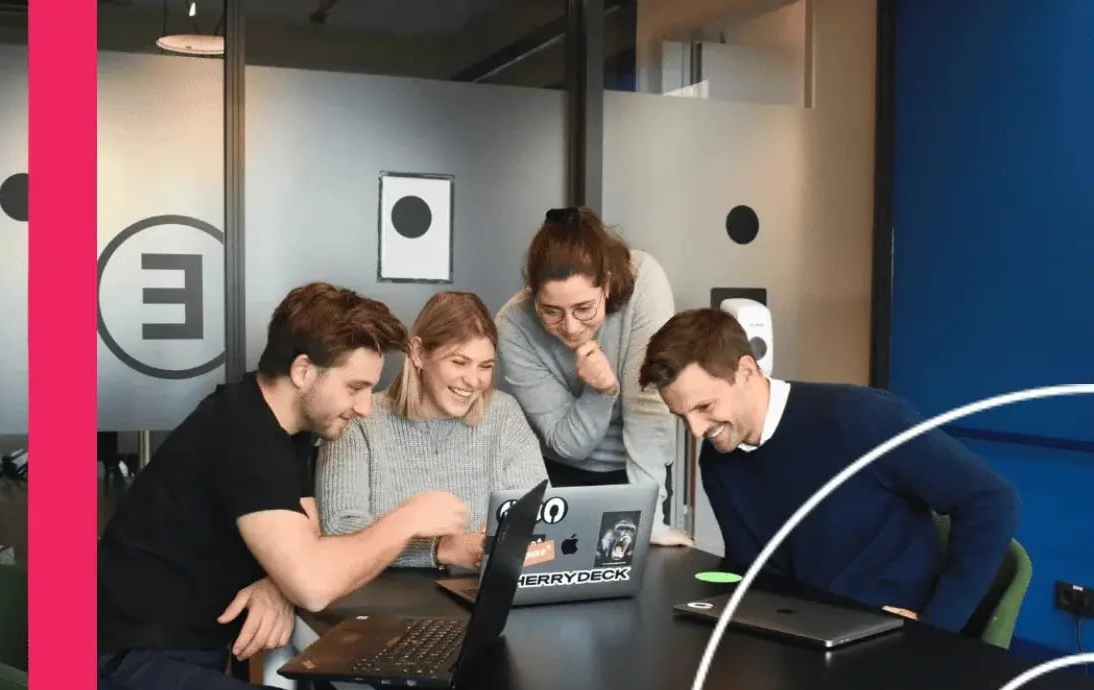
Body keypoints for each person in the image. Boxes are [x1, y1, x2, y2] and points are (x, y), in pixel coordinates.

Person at [96, 282, 470, 690]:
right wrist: (408, 518)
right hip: (125, 665)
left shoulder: (281, 427)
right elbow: (314, 585)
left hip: (171, 657)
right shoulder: (243, 435)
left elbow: (307, 534)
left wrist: (279, 581)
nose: (365, 408)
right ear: (302, 371)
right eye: (355, 387)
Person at [638, 307, 1021, 633]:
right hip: (806, 637)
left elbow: (990, 500)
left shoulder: (861, 418)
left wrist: (937, 625)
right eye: (681, 416)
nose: (696, 430)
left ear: (746, 371)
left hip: (893, 641)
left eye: (704, 407)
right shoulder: (720, 460)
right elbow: (758, 576)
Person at [495, 206, 688, 546]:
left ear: (609, 284)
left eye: (584, 308)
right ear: (532, 294)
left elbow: (648, 411)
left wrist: (651, 522)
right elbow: (569, 444)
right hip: (560, 475)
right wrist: (601, 390)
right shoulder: (513, 325)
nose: (569, 327)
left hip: (643, 473)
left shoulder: (644, 279)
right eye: (551, 311)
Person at [316, 291, 548, 570]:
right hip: (380, 596)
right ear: (418, 353)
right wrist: (440, 548)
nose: (473, 381)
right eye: (459, 362)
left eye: (485, 366)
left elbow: (543, 517)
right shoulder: (359, 420)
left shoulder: (504, 415)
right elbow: (340, 531)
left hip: (477, 591)